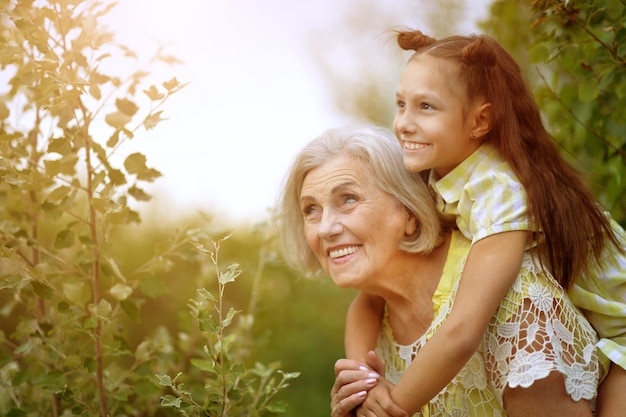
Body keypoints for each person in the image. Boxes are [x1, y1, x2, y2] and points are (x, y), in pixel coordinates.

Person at [345, 30, 626, 416]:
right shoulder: (439, 174)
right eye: (401, 104)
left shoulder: (503, 192)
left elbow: (462, 332)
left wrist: (392, 407)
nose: (404, 124)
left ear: (480, 121)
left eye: (426, 107)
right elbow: (369, 299)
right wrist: (364, 381)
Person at [273, 124, 602, 417]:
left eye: (347, 199)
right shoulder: (373, 324)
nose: (325, 228)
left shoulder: (509, 292)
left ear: (409, 211)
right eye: (311, 210)